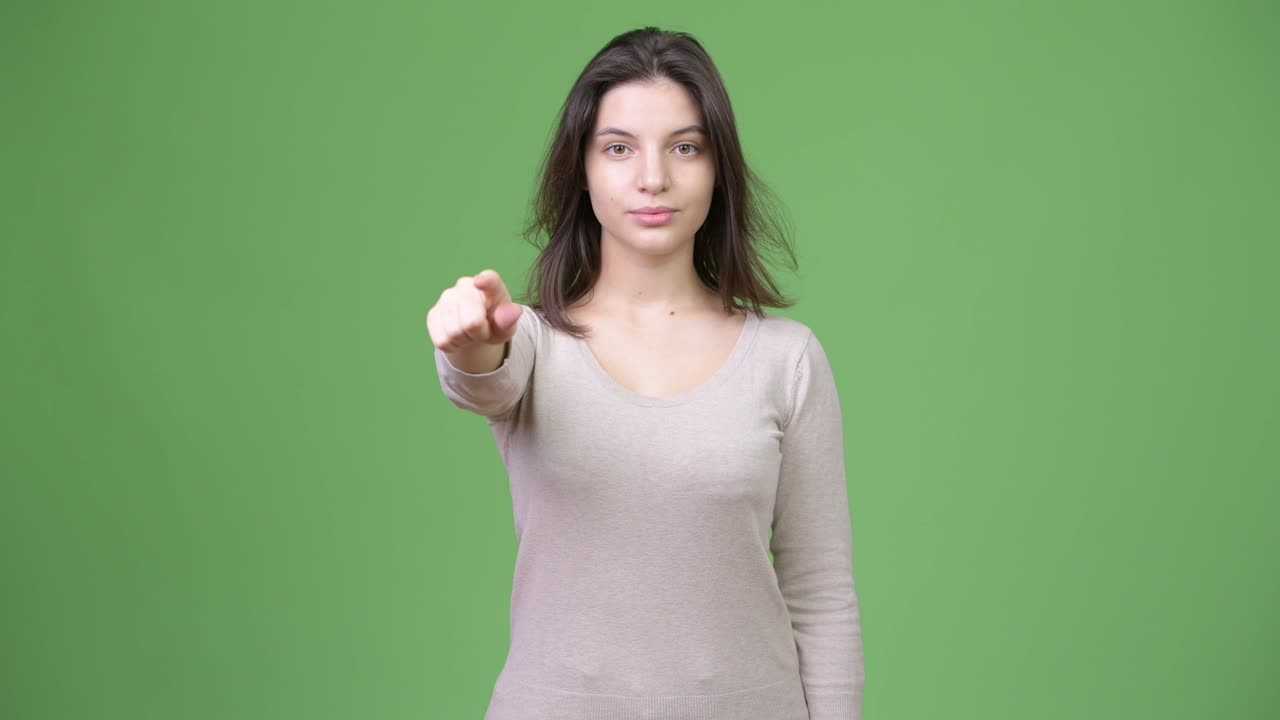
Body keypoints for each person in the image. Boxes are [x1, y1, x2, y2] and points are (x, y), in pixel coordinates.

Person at [426, 26, 865, 720]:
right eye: (619, 148)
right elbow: (483, 377)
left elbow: (821, 592)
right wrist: (464, 340)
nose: (652, 177)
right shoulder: (533, 344)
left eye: (684, 147)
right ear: (582, 168)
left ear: (718, 168)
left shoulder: (787, 360)